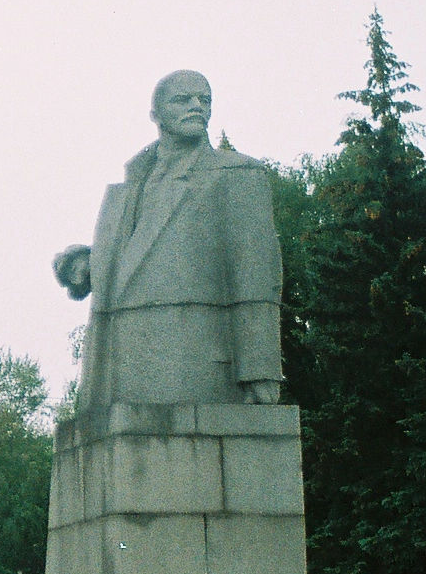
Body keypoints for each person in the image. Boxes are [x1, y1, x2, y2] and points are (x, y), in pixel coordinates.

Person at [54, 70, 283, 408]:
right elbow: (141, 256)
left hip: (193, 363)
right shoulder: (134, 181)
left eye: (204, 100)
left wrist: (259, 369)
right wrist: (92, 262)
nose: (197, 106)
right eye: (183, 99)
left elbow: (255, 274)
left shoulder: (236, 173)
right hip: (119, 367)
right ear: (155, 113)